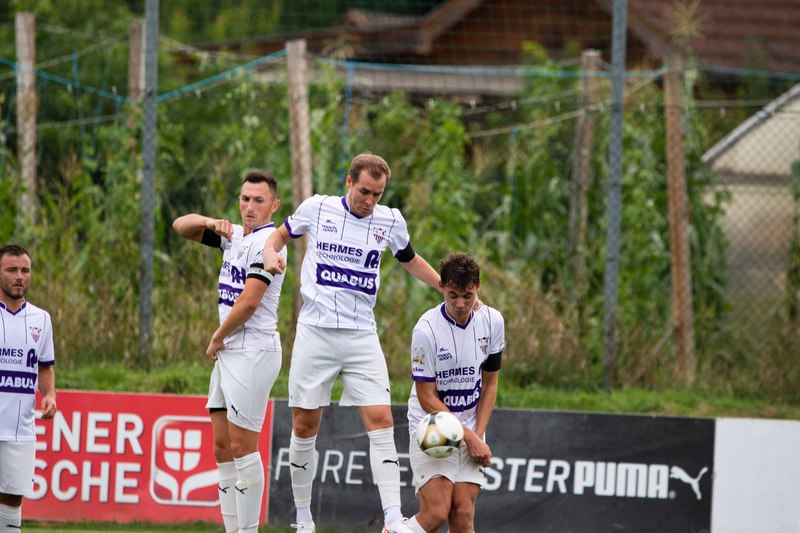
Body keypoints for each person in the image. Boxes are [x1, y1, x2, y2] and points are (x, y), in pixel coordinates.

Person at [261, 152, 441, 533]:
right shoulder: (318, 208)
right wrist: (268, 252)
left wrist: (443, 286)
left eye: (377, 194)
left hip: (362, 334)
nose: (370, 200)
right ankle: (303, 518)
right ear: (348, 182)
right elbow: (281, 234)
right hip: (316, 331)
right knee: (304, 426)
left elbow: (409, 259)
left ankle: (393, 518)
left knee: (382, 420)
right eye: (364, 192)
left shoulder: (390, 220)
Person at [172, 171, 286, 533]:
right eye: (245, 199)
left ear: (274, 205)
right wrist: (210, 222)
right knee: (222, 448)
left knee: (242, 447)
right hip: (230, 351)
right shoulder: (235, 235)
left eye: (258, 200)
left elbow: (250, 302)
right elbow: (180, 226)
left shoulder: (270, 244)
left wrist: (217, 336)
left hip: (252, 349)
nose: (250, 206)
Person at [405, 252, 505, 533]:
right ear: (441, 287)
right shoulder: (426, 330)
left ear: (478, 289)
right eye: (453, 295)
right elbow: (426, 397)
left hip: (471, 426)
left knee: (462, 515)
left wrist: (478, 434)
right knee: (436, 514)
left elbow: (490, 383)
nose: (460, 304)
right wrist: (469, 437)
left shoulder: (492, 321)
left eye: (468, 296)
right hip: (433, 424)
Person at [0, 244, 57, 530]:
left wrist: (50, 394)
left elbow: (45, 366)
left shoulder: (41, 319)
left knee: (12, 500)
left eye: (25, 270)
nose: (19, 276)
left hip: (20, 429)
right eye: (11, 270)